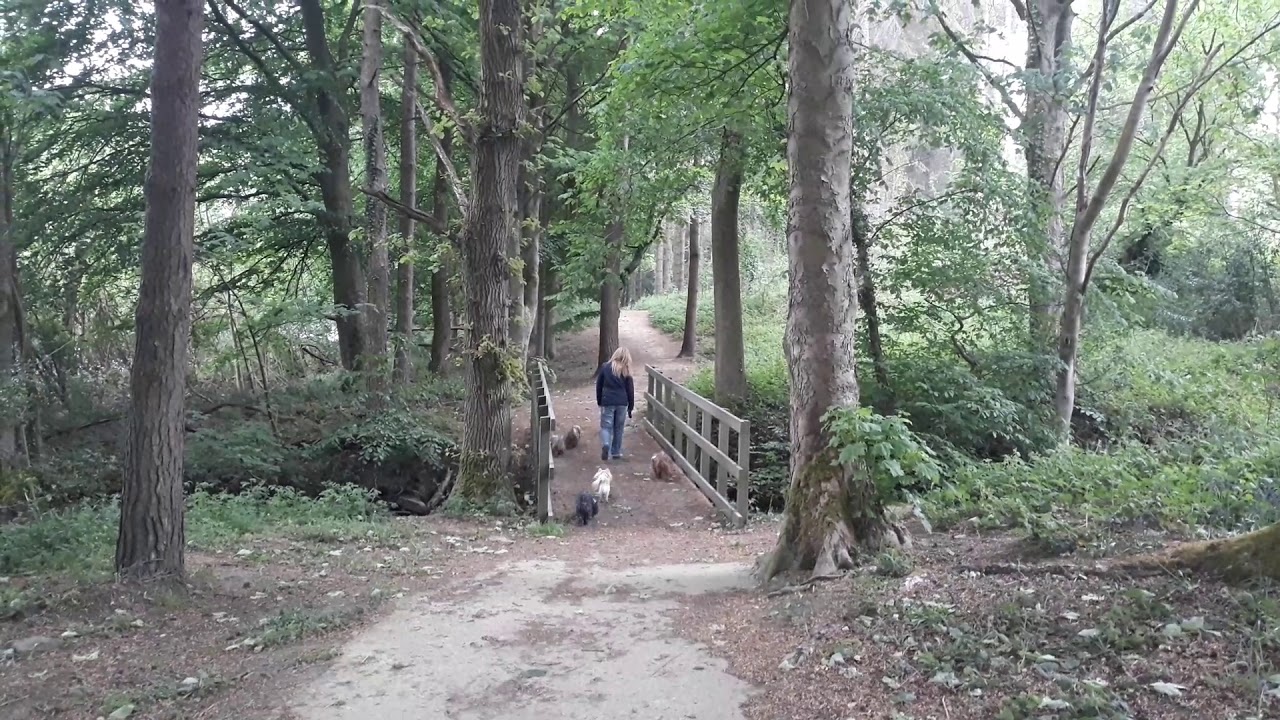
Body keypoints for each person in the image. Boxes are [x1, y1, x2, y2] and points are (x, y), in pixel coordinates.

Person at [595, 346, 635, 462]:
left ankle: (606, 444)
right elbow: (630, 390)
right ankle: (616, 451)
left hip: (607, 400)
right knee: (619, 428)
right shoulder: (626, 370)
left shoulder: (605, 367)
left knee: (606, 426)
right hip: (622, 402)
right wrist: (630, 407)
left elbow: (599, 385)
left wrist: (599, 401)